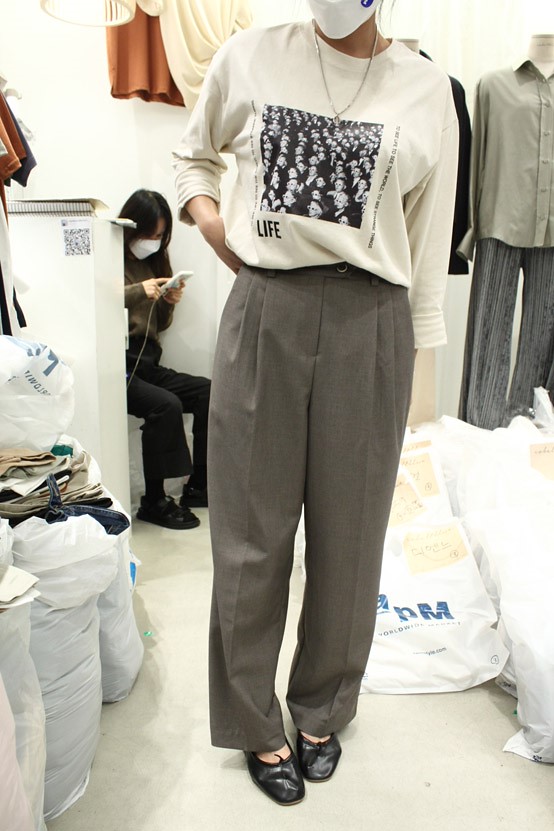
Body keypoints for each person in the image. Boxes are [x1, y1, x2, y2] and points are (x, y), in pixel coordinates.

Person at [173, 0, 458, 806]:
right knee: (249, 534)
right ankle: (253, 720)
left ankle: (323, 708)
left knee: (351, 534)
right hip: (268, 306)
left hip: (374, 319)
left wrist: (414, 363)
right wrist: (211, 224)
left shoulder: (427, 88)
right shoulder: (248, 56)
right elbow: (193, 157)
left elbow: (428, 240)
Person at [120, 189, 211, 531]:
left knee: (208, 393)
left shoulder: (152, 264)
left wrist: (167, 302)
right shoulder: (108, 260)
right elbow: (96, 301)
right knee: (165, 405)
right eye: (149, 234)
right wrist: (137, 292)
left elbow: (157, 326)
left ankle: (199, 486)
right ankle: (154, 501)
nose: (153, 242)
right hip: (120, 366)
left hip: (148, 363)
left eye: (159, 236)